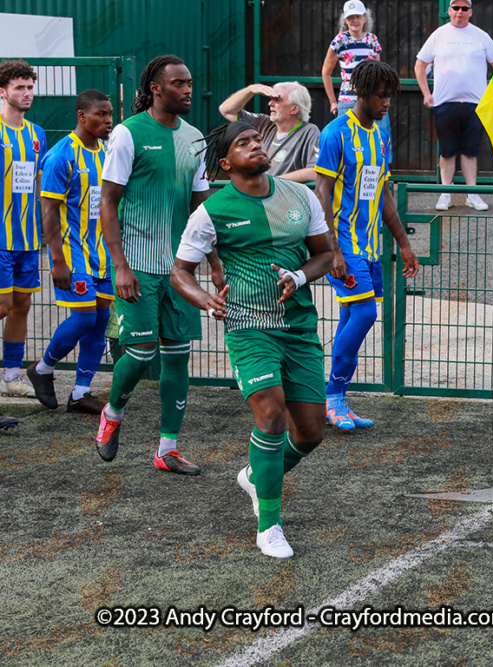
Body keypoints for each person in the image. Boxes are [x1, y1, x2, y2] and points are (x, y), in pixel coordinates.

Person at [172, 121, 334, 559]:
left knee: (312, 433)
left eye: (257, 140)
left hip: (299, 327)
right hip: (247, 324)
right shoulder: (212, 211)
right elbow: (180, 271)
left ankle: (255, 475)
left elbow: (325, 253)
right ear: (225, 163)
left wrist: (299, 276)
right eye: (243, 143)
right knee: (270, 410)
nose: (255, 145)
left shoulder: (301, 196)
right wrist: (206, 299)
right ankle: (269, 525)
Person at [94, 55, 225, 475]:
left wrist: (215, 262)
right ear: (156, 87)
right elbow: (108, 203)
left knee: (178, 355)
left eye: (190, 83)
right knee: (140, 351)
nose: (188, 90)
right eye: (179, 84)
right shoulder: (128, 133)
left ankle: (167, 448)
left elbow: (201, 206)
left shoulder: (194, 138)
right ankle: (113, 414)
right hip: (137, 265)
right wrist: (120, 265)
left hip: (179, 271)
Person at [314, 59, 418, 431]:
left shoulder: (381, 135)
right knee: (365, 315)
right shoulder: (335, 134)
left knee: (350, 315)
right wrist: (333, 250)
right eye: (380, 95)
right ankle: (333, 395)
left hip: (371, 247)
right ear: (361, 92)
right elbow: (322, 193)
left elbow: (384, 193)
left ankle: (335, 400)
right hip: (345, 245)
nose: (387, 101)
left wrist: (403, 242)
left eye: (390, 95)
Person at [26, 89, 115, 414]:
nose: (108, 120)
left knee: (101, 318)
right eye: (101, 115)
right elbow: (48, 210)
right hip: (71, 253)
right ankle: (43, 368)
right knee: (83, 318)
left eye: (109, 114)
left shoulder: (106, 152)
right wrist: (57, 261)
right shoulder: (61, 155)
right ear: (82, 117)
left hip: (103, 254)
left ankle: (80, 393)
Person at [414, 0, 493, 212]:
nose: (459, 12)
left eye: (464, 8)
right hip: (445, 103)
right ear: (449, 11)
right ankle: (445, 194)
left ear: (470, 12)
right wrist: (427, 93)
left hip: (475, 104)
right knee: (447, 151)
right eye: (455, 8)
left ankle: (472, 194)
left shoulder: (481, 36)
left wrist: (491, 95)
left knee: (471, 151)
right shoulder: (438, 35)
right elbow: (420, 65)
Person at [0, 59, 47, 413]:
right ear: (3, 91)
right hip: (0, 238)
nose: (27, 93)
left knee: (22, 305)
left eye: (30, 87)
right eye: (19, 87)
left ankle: (12, 377)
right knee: (1, 305)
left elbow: (39, 183)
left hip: (28, 240)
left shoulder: (36, 134)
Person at [321, 0, 392, 163]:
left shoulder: (372, 40)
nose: (354, 21)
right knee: (347, 144)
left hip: (373, 99)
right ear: (345, 20)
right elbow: (326, 72)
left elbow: (379, 73)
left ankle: (382, 178)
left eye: (358, 17)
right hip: (348, 101)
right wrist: (333, 101)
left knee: (380, 141)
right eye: (350, 17)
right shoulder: (340, 40)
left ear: (365, 18)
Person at [218, 81, 320, 183]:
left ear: (294, 109)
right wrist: (250, 90)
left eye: (277, 100)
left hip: (284, 195)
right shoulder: (264, 123)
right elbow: (226, 110)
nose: (270, 103)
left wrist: (271, 182)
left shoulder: (309, 131)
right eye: (271, 99)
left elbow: (314, 171)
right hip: (257, 194)